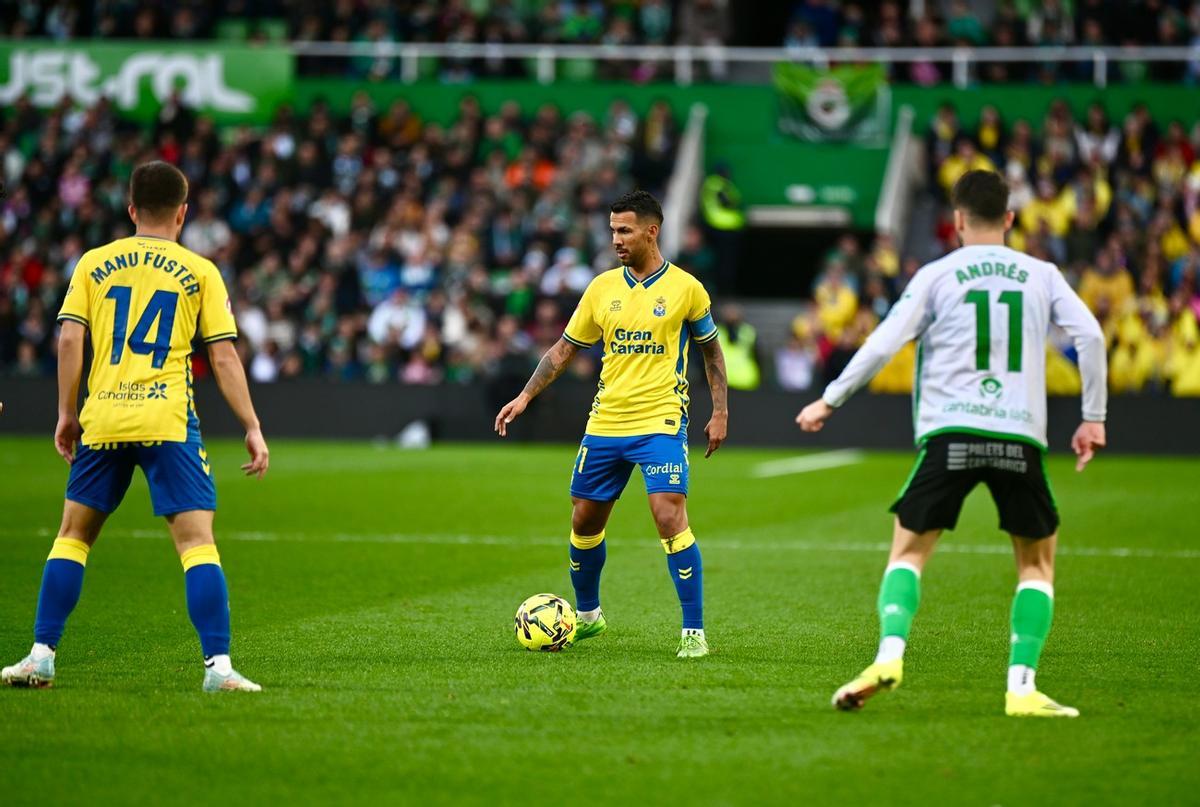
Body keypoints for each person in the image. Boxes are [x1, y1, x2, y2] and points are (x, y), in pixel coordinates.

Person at [796, 169, 1107, 718]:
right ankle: (1022, 687)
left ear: (957, 220)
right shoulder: (1043, 275)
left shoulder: (937, 275)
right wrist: (1093, 418)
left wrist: (830, 399)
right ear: (1010, 218)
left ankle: (889, 656)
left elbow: (884, 339)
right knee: (1036, 568)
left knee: (908, 553)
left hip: (951, 435)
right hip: (1018, 436)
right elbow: (1091, 336)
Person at [1, 162, 269, 693]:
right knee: (196, 543)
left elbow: (71, 341)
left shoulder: (93, 263)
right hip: (165, 419)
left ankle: (40, 655)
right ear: (183, 213)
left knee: (72, 537)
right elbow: (223, 358)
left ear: (130, 209)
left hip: (102, 418)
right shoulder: (200, 271)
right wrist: (252, 425)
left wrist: (66, 412)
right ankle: (218, 668)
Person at [494, 190, 728, 658]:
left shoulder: (686, 288)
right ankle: (588, 617)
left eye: (624, 230)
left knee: (668, 514)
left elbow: (711, 352)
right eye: (612, 231)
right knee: (584, 520)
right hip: (605, 422)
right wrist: (525, 395)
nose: (616, 239)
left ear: (651, 231)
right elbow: (563, 351)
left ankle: (693, 632)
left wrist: (720, 411)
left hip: (661, 419)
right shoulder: (601, 289)